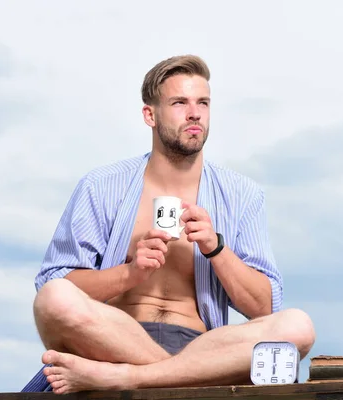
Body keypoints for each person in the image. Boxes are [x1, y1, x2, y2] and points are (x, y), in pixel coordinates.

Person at [21, 54, 316, 395]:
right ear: (150, 114)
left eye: (203, 102)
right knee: (54, 298)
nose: (195, 113)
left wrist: (216, 249)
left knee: (298, 326)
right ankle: (182, 384)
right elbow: (56, 282)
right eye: (179, 102)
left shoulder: (242, 194)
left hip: (203, 348)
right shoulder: (101, 185)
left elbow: (265, 307)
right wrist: (129, 273)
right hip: (112, 340)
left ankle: (132, 380)